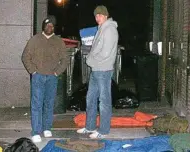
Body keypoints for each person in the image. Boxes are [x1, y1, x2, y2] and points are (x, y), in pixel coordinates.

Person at [22, 17, 69, 143]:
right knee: (37, 104)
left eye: (52, 26)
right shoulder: (35, 40)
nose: (50, 27)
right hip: (38, 77)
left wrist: (56, 72)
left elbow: (65, 59)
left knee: (49, 103)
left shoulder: (59, 41)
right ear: (43, 26)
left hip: (52, 78)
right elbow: (25, 56)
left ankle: (47, 128)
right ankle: (36, 131)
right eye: (48, 25)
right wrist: (33, 71)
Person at [77, 5, 119, 138]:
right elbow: (95, 49)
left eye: (100, 15)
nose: (97, 17)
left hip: (103, 70)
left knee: (104, 100)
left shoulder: (109, 29)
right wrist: (91, 60)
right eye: (96, 15)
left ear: (106, 15)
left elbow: (105, 53)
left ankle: (104, 131)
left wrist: (90, 61)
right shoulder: (101, 29)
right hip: (96, 70)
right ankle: (90, 126)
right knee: (90, 99)